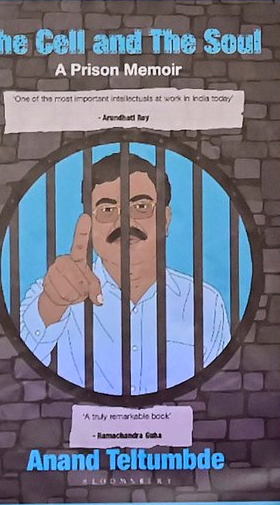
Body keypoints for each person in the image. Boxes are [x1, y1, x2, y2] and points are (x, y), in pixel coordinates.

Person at [19, 151, 231, 396]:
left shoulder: (206, 303)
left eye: (141, 206)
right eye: (107, 209)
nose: (124, 222)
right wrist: (52, 305)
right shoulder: (54, 290)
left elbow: (220, 391)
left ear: (165, 220)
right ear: (88, 224)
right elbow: (15, 369)